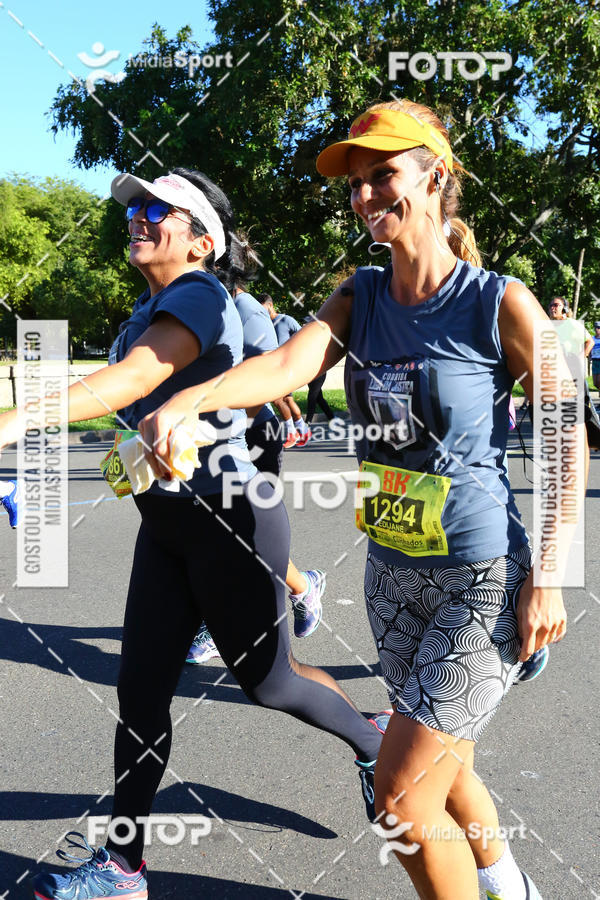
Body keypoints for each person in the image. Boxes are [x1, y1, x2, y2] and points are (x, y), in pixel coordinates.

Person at [138, 101, 585, 900]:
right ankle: (511, 886)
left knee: (401, 799)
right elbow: (285, 367)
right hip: (392, 574)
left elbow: (561, 435)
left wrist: (549, 573)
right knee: (447, 773)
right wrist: (187, 402)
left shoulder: (497, 301)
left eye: (382, 174)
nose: (365, 196)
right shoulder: (361, 296)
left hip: (478, 577)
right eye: (355, 183)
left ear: (435, 175)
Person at [0, 169, 389, 899]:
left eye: (158, 210)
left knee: (269, 683)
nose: (138, 218)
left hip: (234, 518)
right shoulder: (138, 316)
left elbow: (132, 379)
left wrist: (18, 419)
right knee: (140, 693)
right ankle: (122, 869)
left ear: (203, 240)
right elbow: (128, 398)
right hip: (167, 527)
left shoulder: (201, 295)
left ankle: (375, 741)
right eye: (134, 209)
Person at [187, 272, 325, 664]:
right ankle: (302, 587)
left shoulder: (246, 310)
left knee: (243, 530)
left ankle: (228, 621)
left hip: (250, 433)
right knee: (220, 532)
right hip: (208, 437)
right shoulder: (197, 304)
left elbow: (268, 379)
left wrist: (235, 429)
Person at [257, 293, 311, 447]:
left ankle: (292, 433)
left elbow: (303, 337)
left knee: (278, 399)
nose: (261, 311)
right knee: (287, 399)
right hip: (274, 367)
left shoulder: (286, 320)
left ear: (270, 305)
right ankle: (302, 429)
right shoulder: (264, 324)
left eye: (263, 307)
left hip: (288, 366)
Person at [591, 320, 600, 394]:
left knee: (599, 381)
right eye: (596, 327)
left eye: (599, 328)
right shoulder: (592, 339)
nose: (597, 329)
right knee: (595, 383)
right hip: (594, 361)